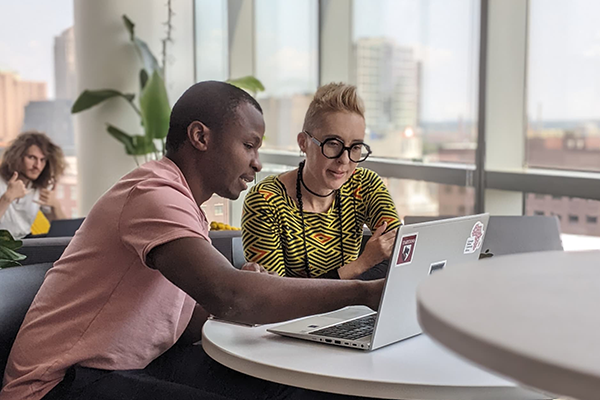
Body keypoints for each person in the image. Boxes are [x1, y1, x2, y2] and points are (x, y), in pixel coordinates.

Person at [0, 81, 385, 400]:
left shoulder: (185, 207)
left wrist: (249, 295)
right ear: (200, 136)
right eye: (249, 145)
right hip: (56, 385)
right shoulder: (153, 193)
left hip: (131, 367)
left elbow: (191, 314)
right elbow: (229, 296)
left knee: (289, 387)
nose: (257, 162)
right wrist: (363, 293)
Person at [242, 83, 401, 280]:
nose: (344, 159)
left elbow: (401, 252)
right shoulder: (266, 200)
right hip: (301, 312)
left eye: (356, 147)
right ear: (303, 143)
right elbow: (275, 298)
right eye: (333, 144)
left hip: (355, 308)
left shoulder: (365, 184)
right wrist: (363, 263)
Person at [0, 132, 67, 239]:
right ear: (17, 157)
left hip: (26, 243)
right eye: (31, 158)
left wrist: (55, 205)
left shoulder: (40, 187)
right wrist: (7, 198)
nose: (37, 166)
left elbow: (65, 231)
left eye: (42, 160)